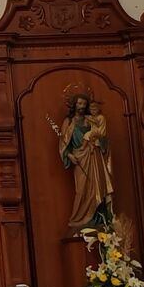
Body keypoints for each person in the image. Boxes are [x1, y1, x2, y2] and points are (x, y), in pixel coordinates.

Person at [54, 91, 114, 234]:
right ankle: (78, 219)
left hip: (94, 156)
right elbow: (63, 143)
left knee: (98, 187)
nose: (81, 106)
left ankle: (98, 219)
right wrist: (69, 155)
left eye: (84, 104)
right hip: (80, 157)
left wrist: (100, 140)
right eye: (79, 103)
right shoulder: (69, 121)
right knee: (82, 190)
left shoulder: (90, 119)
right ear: (74, 105)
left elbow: (102, 136)